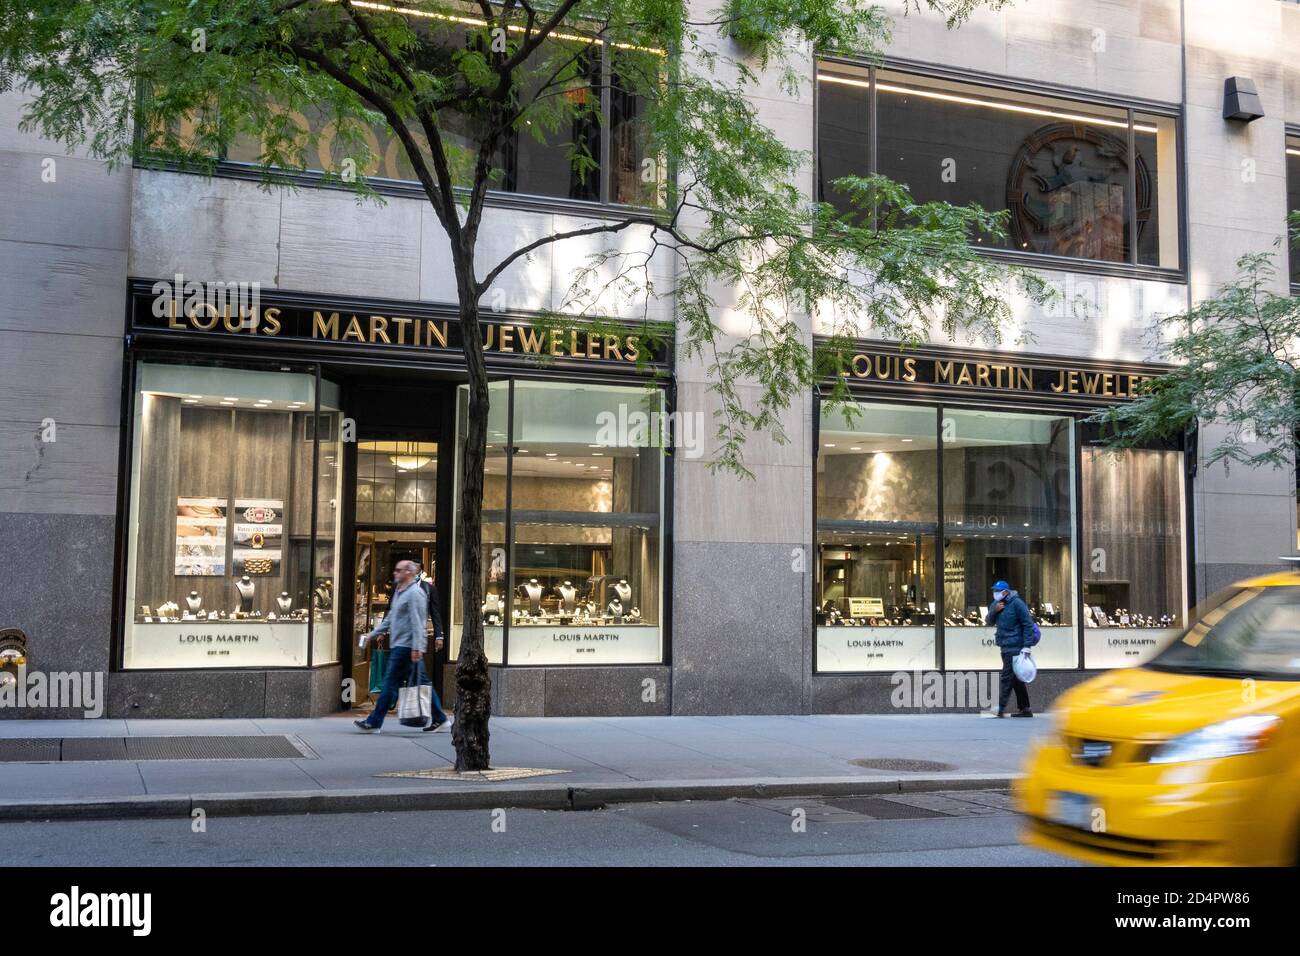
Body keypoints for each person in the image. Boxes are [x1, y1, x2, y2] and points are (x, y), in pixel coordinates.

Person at [354, 559, 430, 733]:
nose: (395, 573)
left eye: (398, 570)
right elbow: (389, 619)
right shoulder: (399, 591)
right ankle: (440, 718)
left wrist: (418, 647)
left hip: (407, 647)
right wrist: (372, 634)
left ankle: (374, 722)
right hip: (401, 645)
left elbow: (419, 622)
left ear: (409, 573)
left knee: (389, 682)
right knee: (421, 681)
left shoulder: (415, 593)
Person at [985, 579, 1035, 718]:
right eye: (994, 590)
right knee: (1016, 679)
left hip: (1015, 647)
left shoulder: (1017, 604)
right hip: (1004, 645)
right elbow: (988, 621)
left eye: (997, 591)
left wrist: (1027, 646)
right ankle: (1025, 709)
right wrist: (995, 611)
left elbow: (1027, 625)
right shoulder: (996, 604)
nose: (995, 593)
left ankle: (999, 709)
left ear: (1005, 592)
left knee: (1006, 677)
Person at [414, 562, 451, 733]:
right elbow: (391, 609)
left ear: (420, 571)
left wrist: (439, 635)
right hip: (403, 642)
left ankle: (376, 718)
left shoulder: (428, 589)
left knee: (419, 680)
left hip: (414, 643)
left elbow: (435, 613)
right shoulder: (399, 586)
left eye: (413, 568)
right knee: (396, 679)